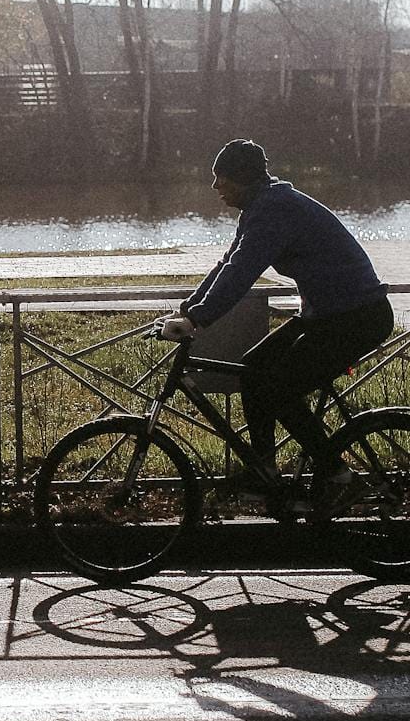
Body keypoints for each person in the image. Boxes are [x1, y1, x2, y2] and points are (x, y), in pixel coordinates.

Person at [158, 138, 393, 485]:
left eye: (221, 178)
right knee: (253, 369)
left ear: (242, 178)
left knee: (280, 390)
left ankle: (337, 474)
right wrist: (188, 310)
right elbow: (229, 263)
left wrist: (196, 319)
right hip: (325, 314)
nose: (214, 186)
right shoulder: (261, 206)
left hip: (355, 317)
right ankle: (264, 469)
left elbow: (242, 272)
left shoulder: (274, 210)